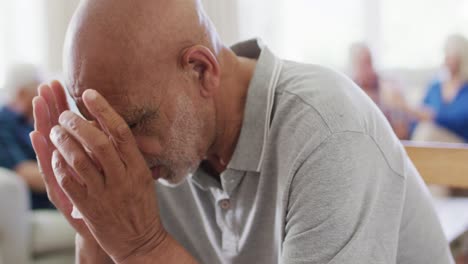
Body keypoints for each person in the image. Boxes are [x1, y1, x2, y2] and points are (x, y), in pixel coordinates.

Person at [30, 0, 453, 263]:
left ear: (201, 70)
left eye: (134, 123)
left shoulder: (329, 131)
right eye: (102, 126)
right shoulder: (166, 140)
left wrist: (143, 247)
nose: (125, 153)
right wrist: (95, 233)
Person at [0, 64, 54, 209]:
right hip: (35, 202)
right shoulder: (3, 123)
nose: (42, 97)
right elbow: (23, 171)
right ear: (23, 93)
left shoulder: (29, 122)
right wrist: (75, 181)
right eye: (38, 89)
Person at [399, 34, 468, 143]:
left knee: (427, 132)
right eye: (446, 54)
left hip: (459, 145)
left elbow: (458, 120)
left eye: (451, 56)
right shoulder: (435, 87)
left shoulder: (465, 89)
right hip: (429, 140)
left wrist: (428, 115)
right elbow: (418, 117)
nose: (446, 59)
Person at [349, 42, 409, 139]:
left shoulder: (389, 85)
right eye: (361, 64)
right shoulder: (349, 90)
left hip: (390, 140)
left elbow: (402, 131)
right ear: (353, 65)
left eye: (368, 62)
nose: (367, 69)